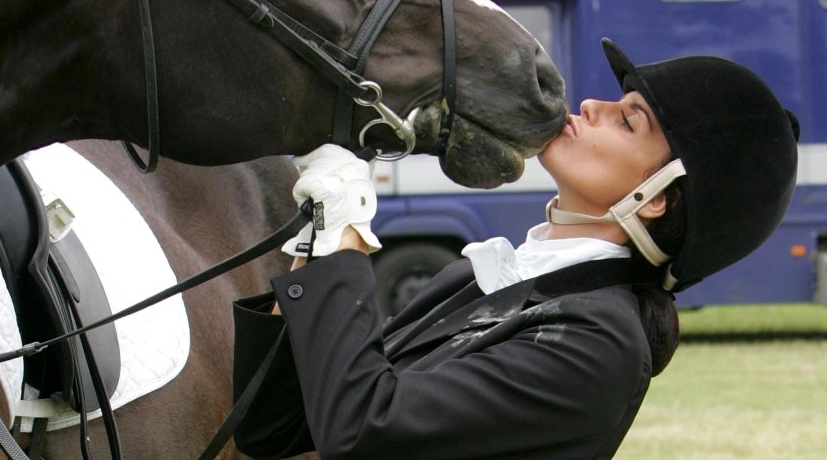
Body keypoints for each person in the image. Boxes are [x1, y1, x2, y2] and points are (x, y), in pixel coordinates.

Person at [230, 38, 799, 460]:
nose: (594, 107)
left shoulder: (598, 343)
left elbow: (361, 433)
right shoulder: (493, 274)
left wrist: (346, 238)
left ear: (655, 200)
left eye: (629, 122)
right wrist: (318, 238)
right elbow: (270, 426)